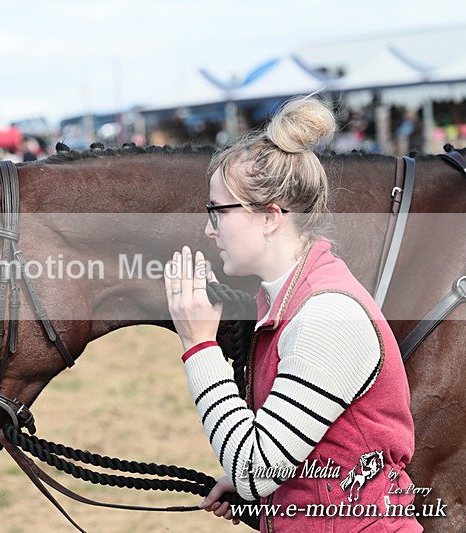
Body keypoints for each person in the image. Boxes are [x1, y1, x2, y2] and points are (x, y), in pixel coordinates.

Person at [164, 96, 420, 531]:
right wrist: (277, 496)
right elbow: (283, 456)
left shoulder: (327, 316)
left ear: (270, 217)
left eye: (217, 211)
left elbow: (254, 470)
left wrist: (199, 345)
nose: (209, 229)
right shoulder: (288, 301)